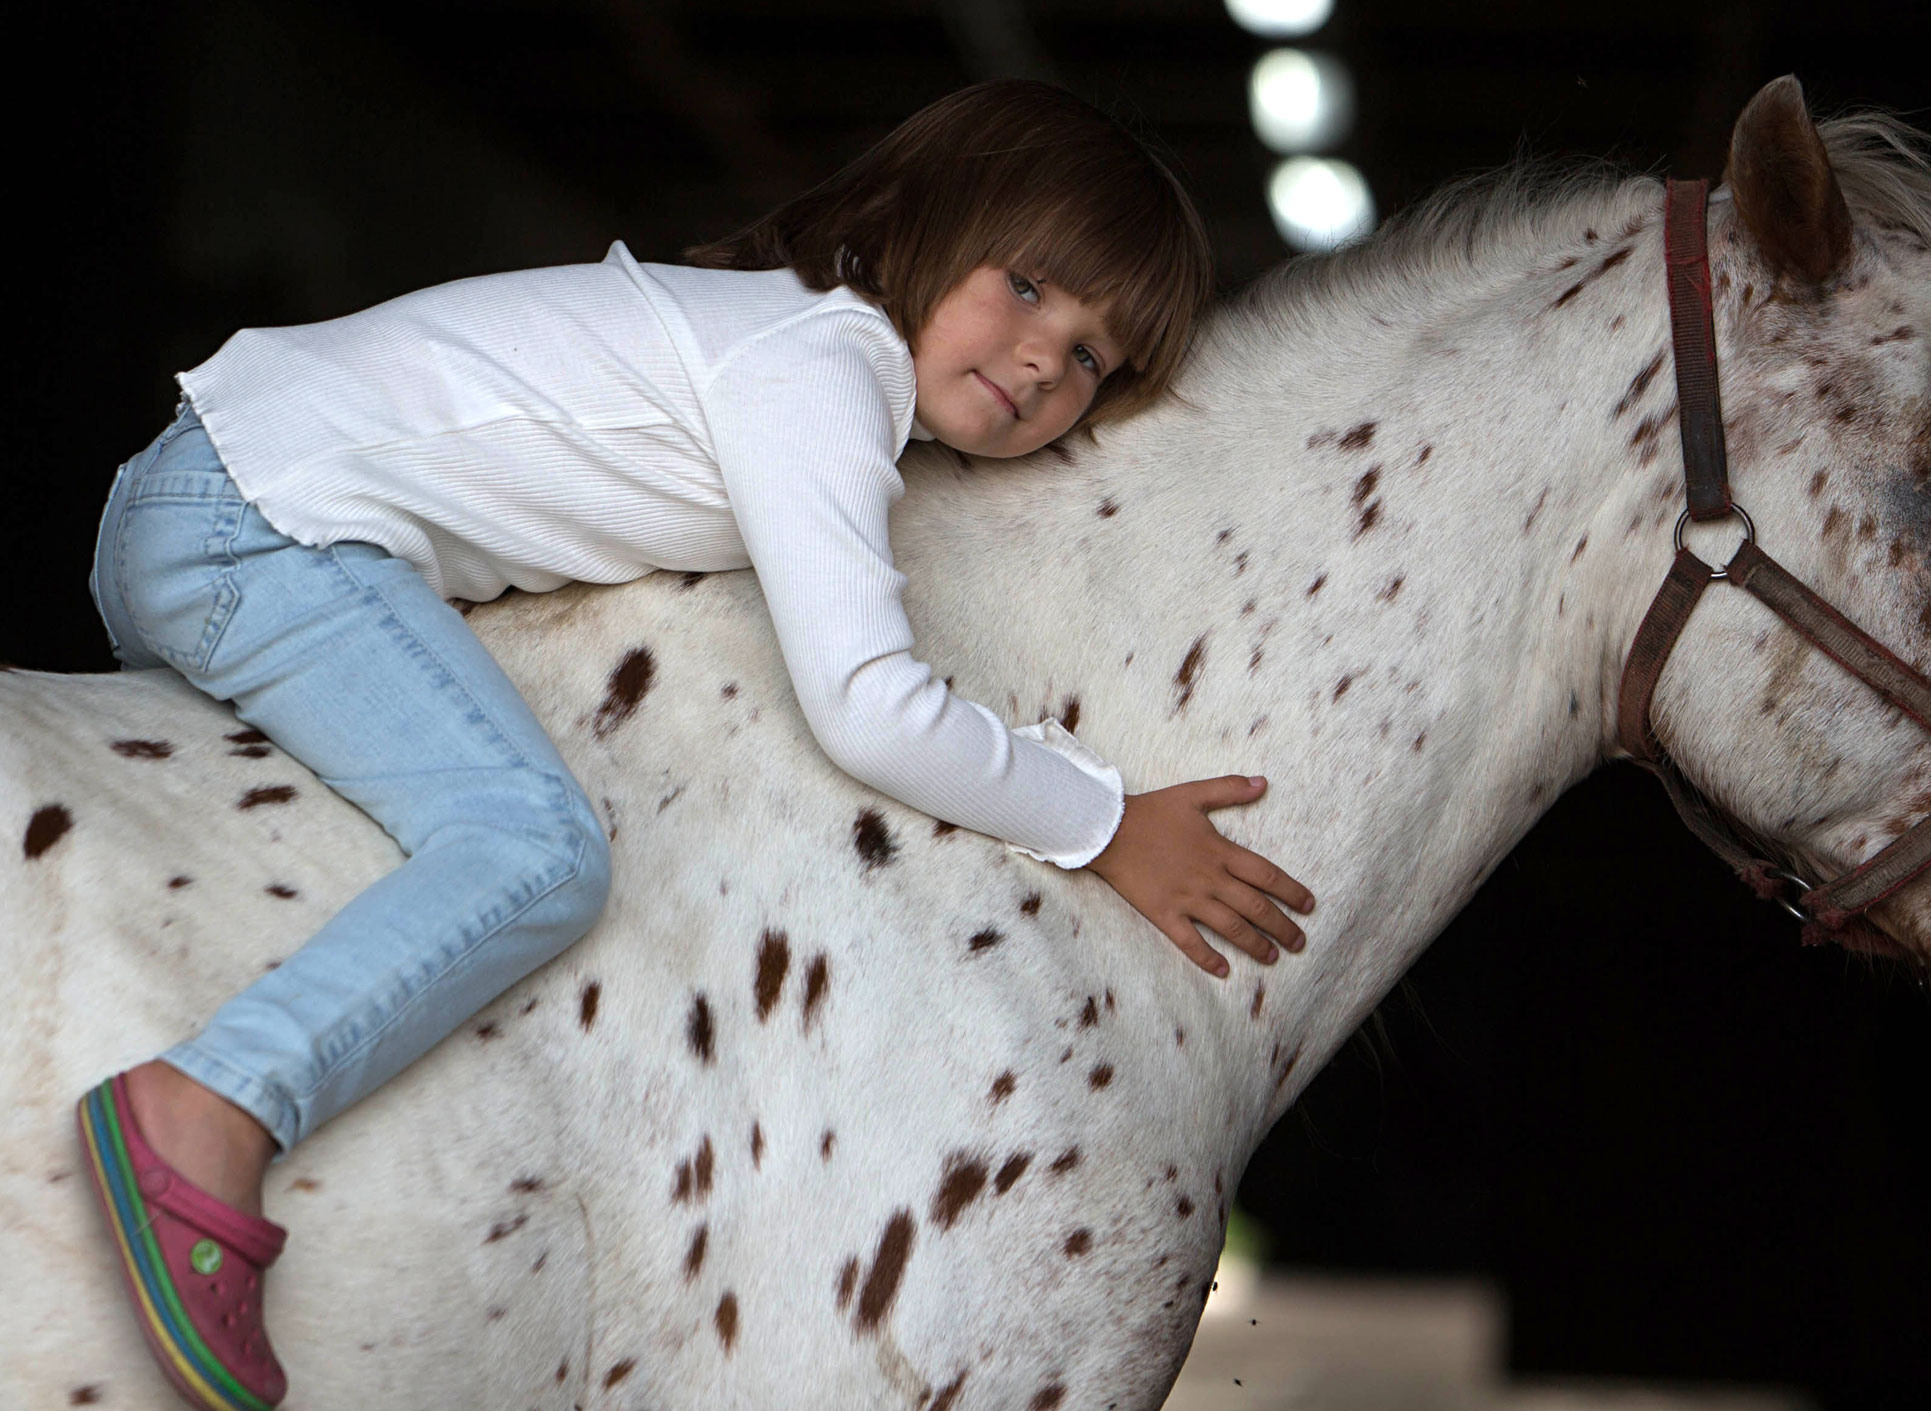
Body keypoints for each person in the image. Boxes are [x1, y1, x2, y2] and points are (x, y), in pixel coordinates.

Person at [74, 79, 1316, 1411]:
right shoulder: (823, 369)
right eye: (1025, 287)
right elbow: (866, 703)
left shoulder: (804, 357)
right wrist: (1108, 821)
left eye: (1090, 359)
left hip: (226, 495)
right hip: (256, 525)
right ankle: (211, 1109)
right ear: (926, 226)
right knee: (535, 846)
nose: (1039, 361)